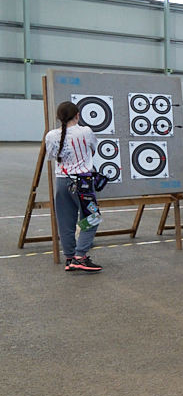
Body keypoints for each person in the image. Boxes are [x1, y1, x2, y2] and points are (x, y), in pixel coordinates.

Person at [44, 101, 102, 272]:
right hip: (82, 181)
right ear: (77, 115)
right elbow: (94, 148)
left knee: (65, 221)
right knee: (92, 218)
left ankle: (70, 257)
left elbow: (51, 156)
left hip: (62, 181)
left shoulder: (51, 135)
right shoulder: (85, 131)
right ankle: (80, 257)